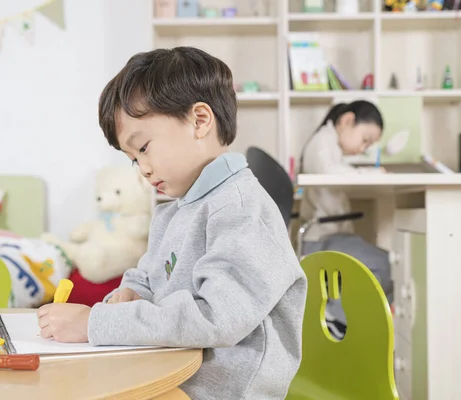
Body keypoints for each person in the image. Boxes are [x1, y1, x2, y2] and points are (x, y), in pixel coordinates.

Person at [36, 46, 307, 399]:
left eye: (144, 148)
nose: (143, 168)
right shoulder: (178, 208)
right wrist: (130, 294)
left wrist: (94, 324)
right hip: (173, 373)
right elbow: (147, 275)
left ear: (199, 121)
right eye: (133, 159)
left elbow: (216, 317)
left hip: (221, 391)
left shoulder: (241, 210)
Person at [299, 100, 393, 339]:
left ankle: (343, 317)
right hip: (322, 239)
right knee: (390, 266)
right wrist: (371, 173)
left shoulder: (329, 146)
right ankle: (336, 316)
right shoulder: (322, 144)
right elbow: (330, 173)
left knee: (387, 263)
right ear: (347, 121)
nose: (364, 148)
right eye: (365, 139)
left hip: (328, 236)